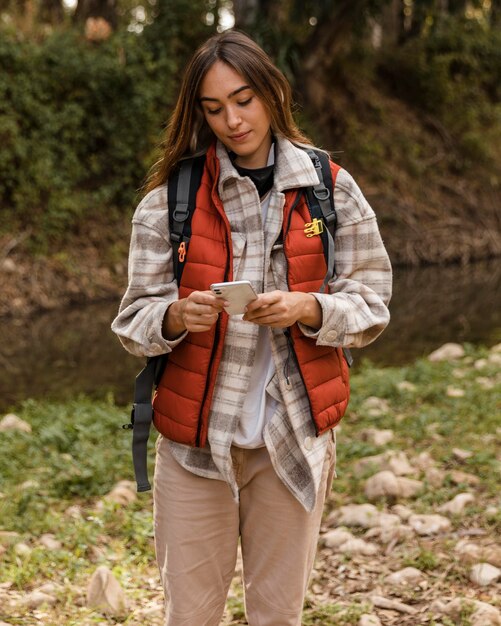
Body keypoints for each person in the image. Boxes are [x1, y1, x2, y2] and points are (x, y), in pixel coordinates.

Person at [112, 30, 392, 626]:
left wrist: (309, 309)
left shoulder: (330, 188)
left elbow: (373, 302)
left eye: (244, 100)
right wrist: (173, 316)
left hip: (290, 436)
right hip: (194, 447)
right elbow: (133, 322)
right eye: (214, 109)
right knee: (188, 616)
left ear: (271, 92)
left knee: (277, 616)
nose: (232, 121)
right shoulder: (170, 202)